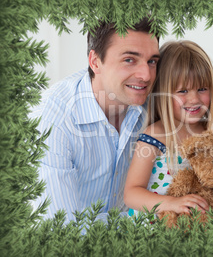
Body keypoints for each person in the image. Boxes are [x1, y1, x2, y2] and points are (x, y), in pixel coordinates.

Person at [30, 17, 160, 222]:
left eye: (152, 61)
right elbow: (61, 230)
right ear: (95, 62)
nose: (146, 75)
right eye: (129, 60)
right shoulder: (52, 118)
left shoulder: (154, 104)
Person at [124, 40, 213, 221]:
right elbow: (131, 194)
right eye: (183, 91)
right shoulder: (155, 135)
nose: (194, 99)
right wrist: (172, 203)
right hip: (155, 232)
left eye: (202, 89)